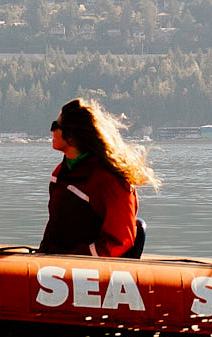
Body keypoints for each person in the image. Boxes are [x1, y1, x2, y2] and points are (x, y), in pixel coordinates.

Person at [40, 97, 153, 257]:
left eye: (55, 126)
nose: (51, 131)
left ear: (72, 136)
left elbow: (120, 241)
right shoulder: (59, 173)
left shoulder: (110, 180)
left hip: (91, 270)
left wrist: (76, 258)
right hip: (59, 262)